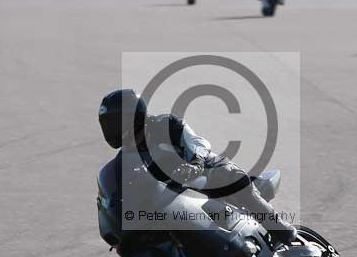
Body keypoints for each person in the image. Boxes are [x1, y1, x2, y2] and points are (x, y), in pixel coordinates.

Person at [98, 89, 298, 246]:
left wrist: (195, 163)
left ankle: (281, 229)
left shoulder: (166, 125)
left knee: (232, 177)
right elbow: (122, 186)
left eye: (116, 122)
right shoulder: (125, 158)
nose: (112, 129)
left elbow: (197, 143)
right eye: (108, 124)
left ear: (134, 115)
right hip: (172, 198)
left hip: (205, 172)